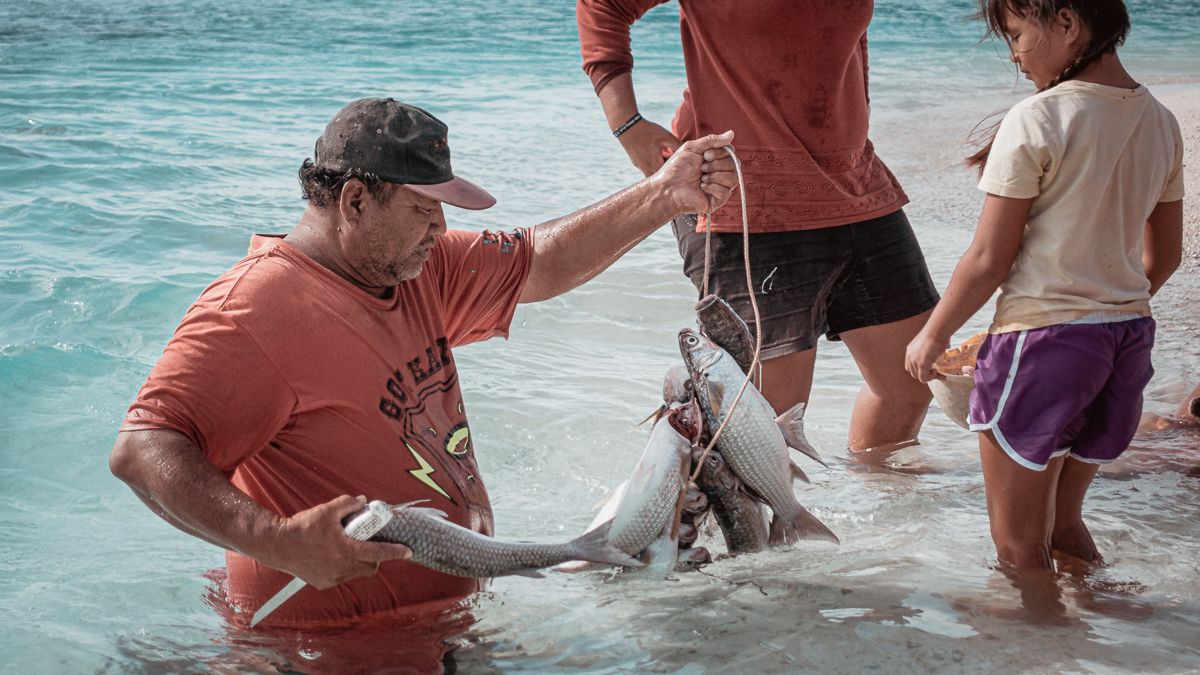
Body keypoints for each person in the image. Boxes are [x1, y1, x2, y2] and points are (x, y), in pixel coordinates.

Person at [109, 98, 738, 628]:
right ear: (354, 201)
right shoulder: (257, 309)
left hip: (442, 627)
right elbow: (143, 449)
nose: (440, 226)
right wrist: (274, 541)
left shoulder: (411, 268)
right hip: (321, 647)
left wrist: (663, 196)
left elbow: (538, 262)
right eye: (423, 207)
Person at [576, 1, 939, 458]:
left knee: (912, 382)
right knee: (767, 425)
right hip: (739, 195)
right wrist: (627, 125)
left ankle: (880, 520)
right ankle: (693, 523)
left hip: (853, 185)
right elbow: (603, 5)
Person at [905, 0, 1184, 572]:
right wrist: (1100, 308)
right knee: (1064, 525)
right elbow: (1168, 256)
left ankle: (1029, 652)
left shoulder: (1038, 118)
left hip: (1043, 347)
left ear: (1066, 22)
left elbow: (988, 258)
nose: (1014, 54)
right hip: (1126, 342)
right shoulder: (1160, 120)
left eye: (1016, 35)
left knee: (1017, 548)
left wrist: (933, 335)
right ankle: (1102, 643)